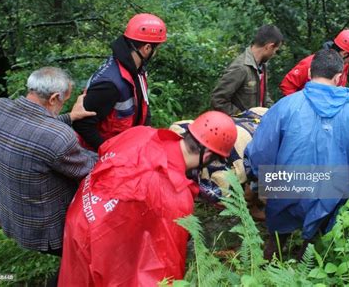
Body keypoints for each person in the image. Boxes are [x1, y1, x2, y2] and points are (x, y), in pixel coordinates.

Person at [58, 111, 237, 286]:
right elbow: (167, 261)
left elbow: (105, 149)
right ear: (207, 156)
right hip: (103, 241)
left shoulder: (140, 133)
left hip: (79, 218)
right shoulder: (175, 197)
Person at [244, 49, 349, 260]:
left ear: (310, 72)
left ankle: (270, 261)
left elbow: (260, 151)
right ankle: (305, 258)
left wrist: (260, 179)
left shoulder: (286, 106)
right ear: (339, 78)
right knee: (315, 239)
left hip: (286, 185)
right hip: (329, 188)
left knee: (276, 234)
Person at [0, 67, 97, 256]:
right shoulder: (58, 137)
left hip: (10, 215)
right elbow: (87, 168)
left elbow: (28, 129)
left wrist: (69, 117)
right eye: (63, 102)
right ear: (53, 99)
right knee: (85, 263)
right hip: (46, 232)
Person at [73, 13, 167, 151]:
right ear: (147, 48)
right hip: (100, 155)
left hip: (126, 147)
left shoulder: (136, 69)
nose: (156, 53)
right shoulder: (110, 84)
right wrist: (108, 152)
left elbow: (143, 107)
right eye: (156, 49)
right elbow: (82, 124)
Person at [211, 24, 283, 115]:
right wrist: (243, 116)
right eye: (275, 50)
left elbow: (263, 96)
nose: (274, 54)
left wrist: (275, 112)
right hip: (240, 126)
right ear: (269, 46)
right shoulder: (241, 68)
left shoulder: (262, 66)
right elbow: (218, 99)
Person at [279, 29, 349, 96]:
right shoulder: (311, 63)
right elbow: (287, 86)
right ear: (345, 54)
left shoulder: (344, 65)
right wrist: (298, 108)